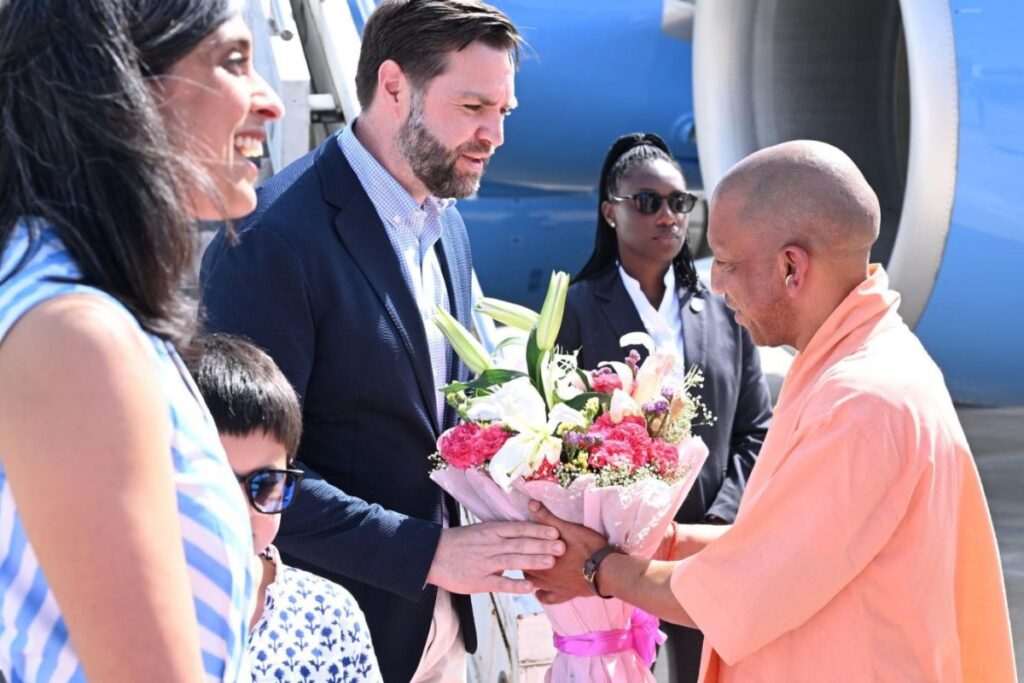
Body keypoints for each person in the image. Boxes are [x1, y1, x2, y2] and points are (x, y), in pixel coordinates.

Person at [527, 140, 1018, 682]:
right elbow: (779, 540)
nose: (714, 281)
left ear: (791, 267)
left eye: (731, 263)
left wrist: (598, 569)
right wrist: (655, 538)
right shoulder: (859, 363)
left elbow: (745, 589)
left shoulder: (863, 400)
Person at [199, 1, 563, 681]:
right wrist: (425, 552)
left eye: (503, 112)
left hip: (443, 629)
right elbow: (237, 478)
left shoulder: (446, 226)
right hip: (321, 641)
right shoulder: (272, 242)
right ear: (394, 87)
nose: (495, 134)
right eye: (475, 106)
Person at [0, 1, 284, 681]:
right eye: (234, 61)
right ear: (124, 85)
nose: (268, 102)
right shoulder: (76, 335)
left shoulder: (77, 313)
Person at [555, 132, 772, 680]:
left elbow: (756, 429)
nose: (668, 215)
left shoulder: (726, 310)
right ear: (611, 212)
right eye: (648, 202)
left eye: (680, 202)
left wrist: (718, 524)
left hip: (713, 553)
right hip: (619, 559)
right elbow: (563, 435)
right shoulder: (575, 310)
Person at [186, 334, 382, 682]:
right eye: (215, 483)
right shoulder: (109, 610)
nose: (241, 510)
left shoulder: (328, 615)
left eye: (265, 483)